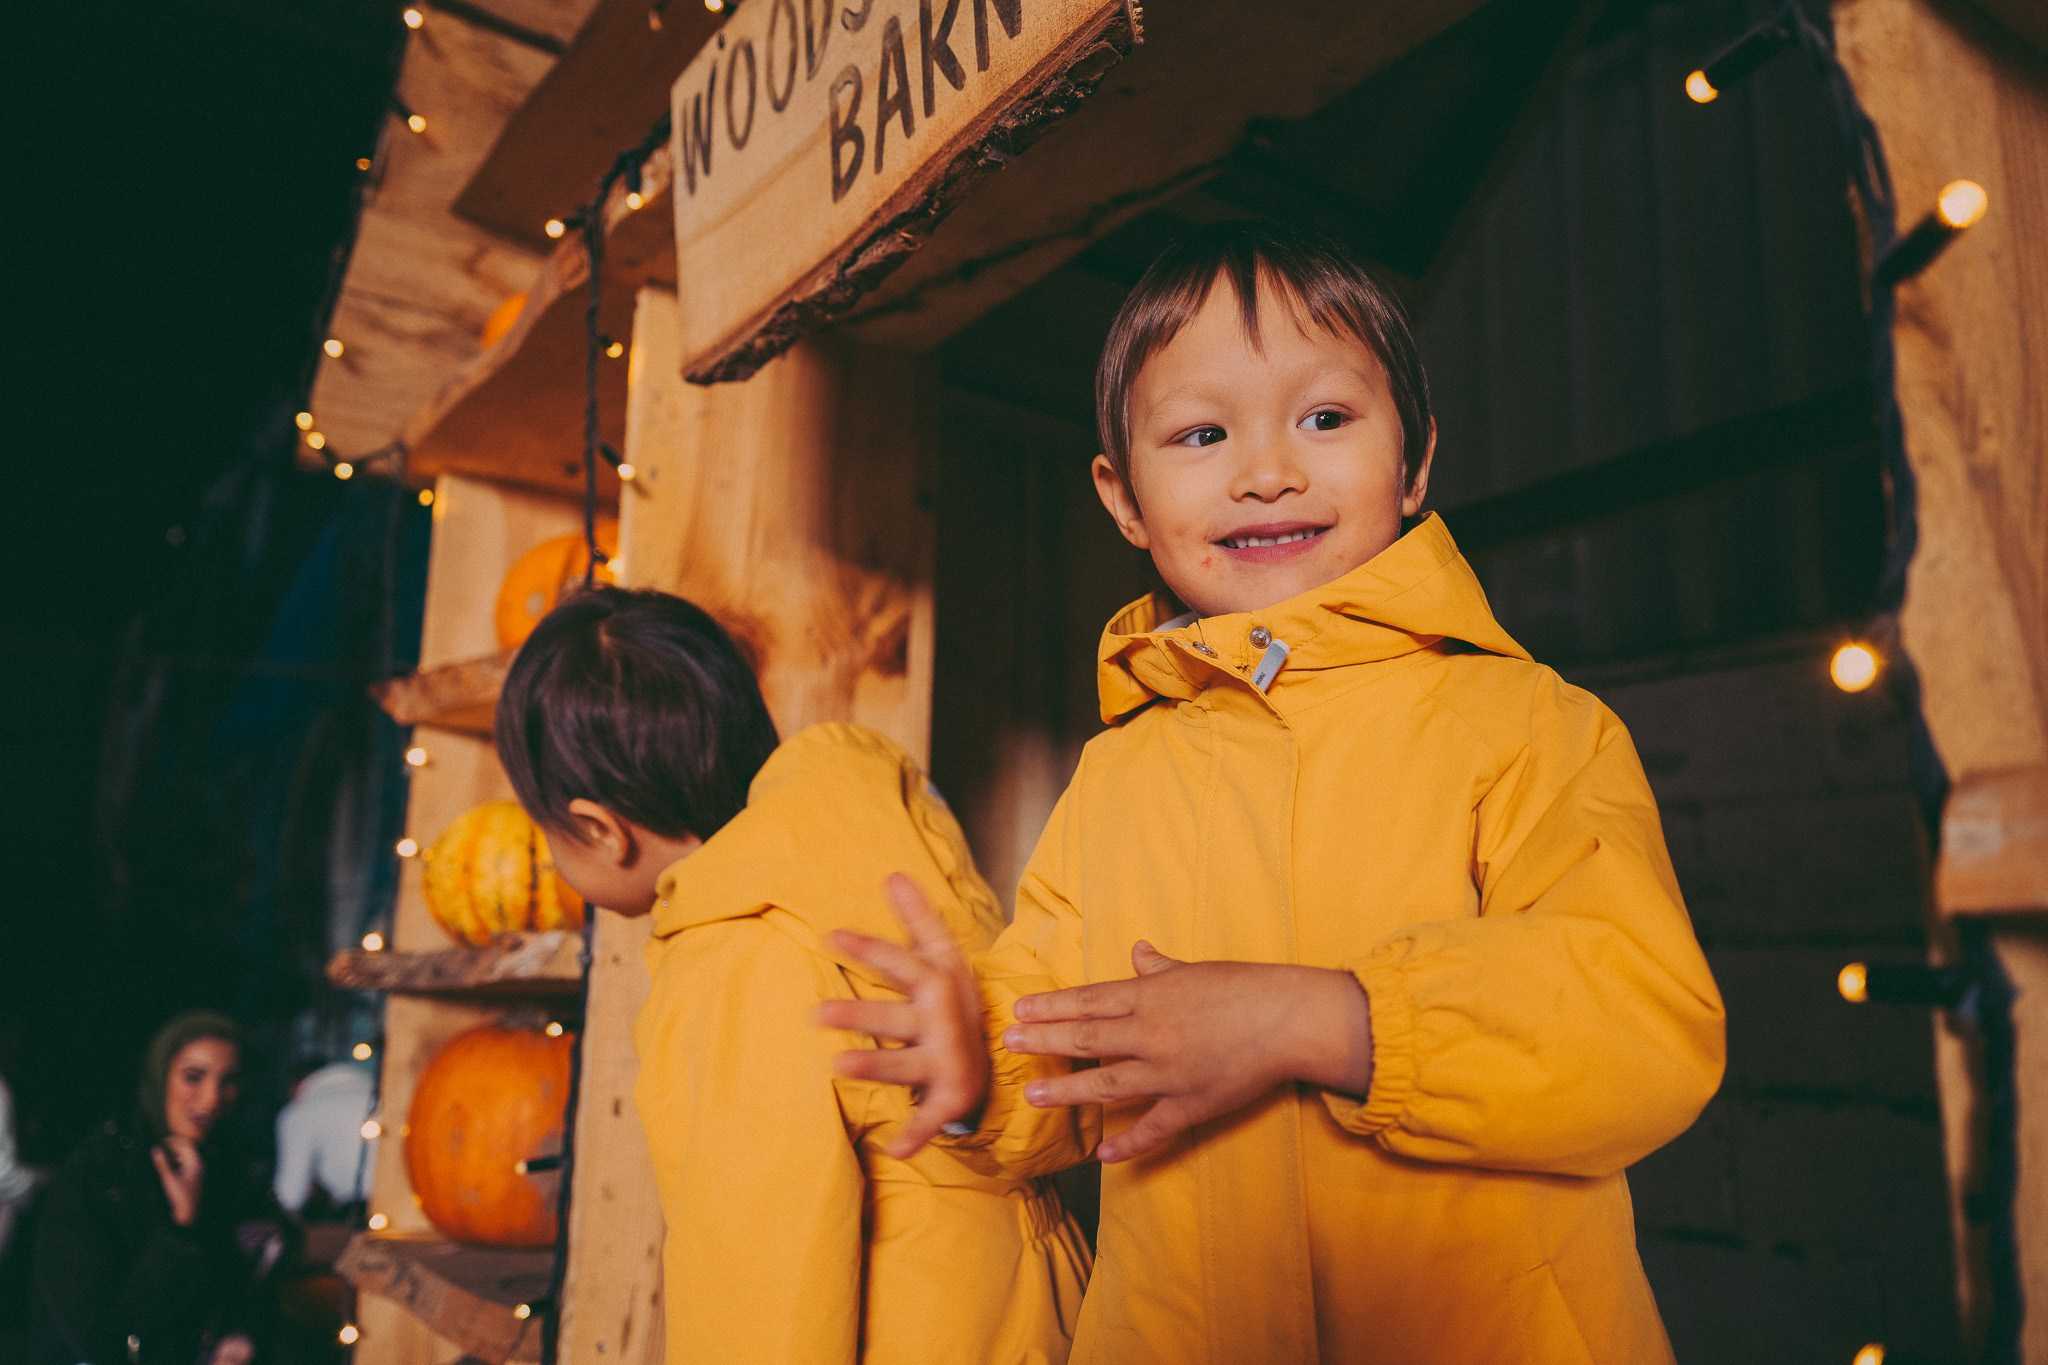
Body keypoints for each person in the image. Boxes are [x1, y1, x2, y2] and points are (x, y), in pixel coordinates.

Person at [822, 220, 1728, 1364]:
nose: (1265, 473)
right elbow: (1071, 1036)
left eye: (1325, 419)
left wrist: (1326, 1019)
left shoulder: (1529, 725)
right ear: (1122, 498)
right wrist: (978, 1060)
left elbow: (1639, 1024)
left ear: (1415, 462)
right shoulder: (1119, 776)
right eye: (1201, 433)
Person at [494, 587, 1090, 1365]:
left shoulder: (735, 960)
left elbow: (760, 1275)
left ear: (601, 831)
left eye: (550, 830)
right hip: (1048, 1311)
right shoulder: (869, 841)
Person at [31, 1012, 290, 1365]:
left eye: (229, 1080)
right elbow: (101, 1341)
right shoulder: (94, 1175)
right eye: (193, 1077)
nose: (213, 1099)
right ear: (159, 1075)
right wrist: (181, 1227)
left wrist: (241, 1333)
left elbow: (240, 1286)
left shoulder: (227, 1165)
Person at [271, 1058, 374, 1216]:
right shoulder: (380, 1097)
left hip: (355, 1212)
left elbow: (290, 1196)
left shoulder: (300, 1112)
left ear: (296, 1085)